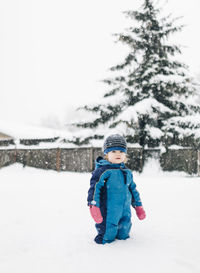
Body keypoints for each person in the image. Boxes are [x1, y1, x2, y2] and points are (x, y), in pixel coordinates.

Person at [87, 134, 146, 244]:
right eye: (113, 151)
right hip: (109, 210)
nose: (118, 154)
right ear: (106, 154)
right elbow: (95, 188)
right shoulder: (102, 171)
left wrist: (138, 206)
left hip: (125, 211)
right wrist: (93, 205)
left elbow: (133, 190)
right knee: (107, 235)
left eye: (121, 152)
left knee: (124, 232)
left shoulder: (127, 172)